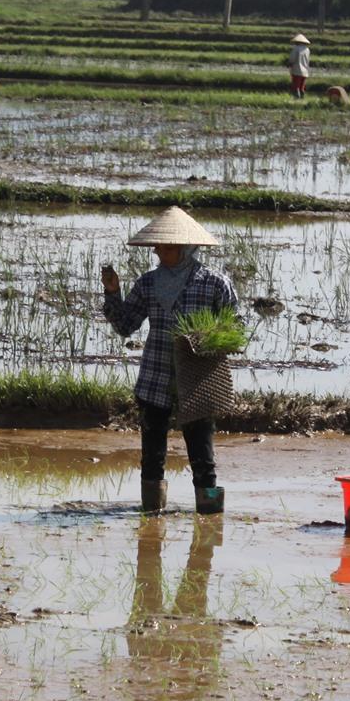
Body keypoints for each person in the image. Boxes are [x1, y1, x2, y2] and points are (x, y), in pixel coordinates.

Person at [100, 206, 238, 515]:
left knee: (203, 457)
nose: (161, 252)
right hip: (155, 378)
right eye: (159, 246)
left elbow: (234, 330)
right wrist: (113, 293)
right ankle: (151, 519)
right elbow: (126, 324)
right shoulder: (148, 283)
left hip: (198, 380)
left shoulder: (214, 284)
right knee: (152, 457)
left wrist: (203, 338)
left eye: (169, 246)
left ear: (187, 247)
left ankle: (211, 517)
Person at [284, 33, 311, 98]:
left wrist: (289, 63)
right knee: (302, 87)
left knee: (296, 86)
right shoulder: (307, 50)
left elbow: (292, 59)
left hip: (297, 70)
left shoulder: (296, 48)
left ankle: (296, 99)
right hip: (305, 71)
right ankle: (302, 98)